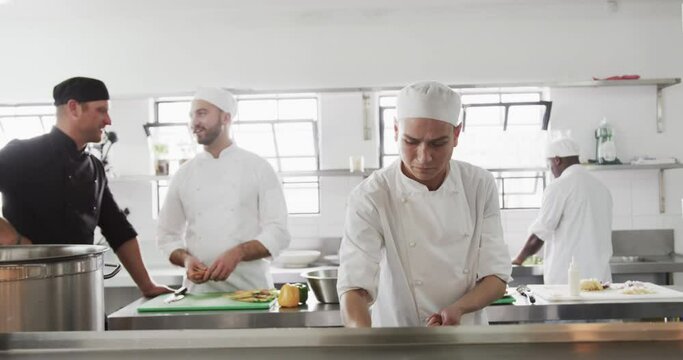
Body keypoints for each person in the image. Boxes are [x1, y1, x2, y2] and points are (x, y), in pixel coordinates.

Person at [337, 81, 512, 327]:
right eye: (411, 142)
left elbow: (496, 275)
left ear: (456, 135)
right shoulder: (371, 195)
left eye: (438, 144)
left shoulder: (479, 185)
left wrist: (458, 309)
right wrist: (364, 346)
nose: (424, 156)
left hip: (466, 338)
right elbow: (354, 286)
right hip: (398, 340)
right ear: (396, 131)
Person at [0, 76, 172, 297]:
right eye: (101, 110)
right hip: (27, 294)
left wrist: (147, 285)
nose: (108, 120)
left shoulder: (94, 167)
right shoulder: (22, 154)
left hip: (82, 289)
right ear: (74, 108)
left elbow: (118, 229)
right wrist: (11, 238)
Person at [157, 87, 291, 293]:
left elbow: (279, 232)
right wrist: (186, 259)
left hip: (252, 292)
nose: (194, 123)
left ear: (226, 118)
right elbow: (167, 235)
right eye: (192, 116)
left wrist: (238, 252)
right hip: (199, 294)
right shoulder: (184, 174)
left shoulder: (258, 168)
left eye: (202, 113)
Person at [512, 137, 613, 284]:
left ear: (557, 160)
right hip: (600, 279)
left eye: (550, 164)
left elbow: (540, 233)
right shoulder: (601, 187)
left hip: (569, 282)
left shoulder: (559, 187)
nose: (551, 170)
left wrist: (519, 259)